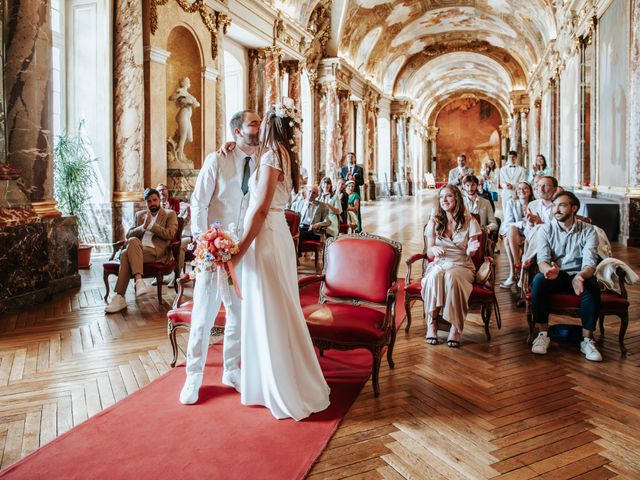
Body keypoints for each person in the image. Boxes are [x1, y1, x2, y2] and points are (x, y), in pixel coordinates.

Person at [232, 101, 330, 421]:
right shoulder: (284, 156)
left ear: (272, 126)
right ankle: (269, 382)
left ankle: (281, 387)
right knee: (275, 308)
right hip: (275, 237)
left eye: (262, 123)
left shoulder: (273, 156)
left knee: (271, 309)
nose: (257, 128)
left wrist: (239, 251)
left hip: (266, 239)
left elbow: (260, 209)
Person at [179, 109, 261, 405]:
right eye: (254, 123)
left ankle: (231, 370)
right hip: (213, 252)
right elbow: (198, 203)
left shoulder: (262, 160)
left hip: (243, 251)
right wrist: (205, 242)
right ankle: (193, 377)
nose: (260, 126)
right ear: (237, 131)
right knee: (203, 316)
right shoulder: (217, 159)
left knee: (238, 315)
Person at [530, 191, 602, 361]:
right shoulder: (545, 229)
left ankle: (587, 340)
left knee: (592, 284)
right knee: (539, 280)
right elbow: (542, 260)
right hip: (556, 274)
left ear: (573, 208)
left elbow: (590, 263)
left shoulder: (589, 230)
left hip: (579, 274)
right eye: (555, 205)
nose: (557, 209)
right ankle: (542, 335)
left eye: (562, 205)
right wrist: (548, 270)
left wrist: (581, 276)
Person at [421, 185, 481, 348]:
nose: (444, 200)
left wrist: (470, 250)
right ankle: (432, 323)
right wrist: (432, 249)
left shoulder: (470, 221)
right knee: (433, 276)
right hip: (440, 262)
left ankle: (455, 327)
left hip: (462, 264)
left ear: (457, 199)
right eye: (441, 197)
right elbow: (429, 251)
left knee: (452, 277)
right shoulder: (435, 221)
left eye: (448, 196)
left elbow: (473, 252)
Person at [105, 188, 178, 313]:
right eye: (149, 201)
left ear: (159, 200)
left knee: (124, 253)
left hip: (156, 252)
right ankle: (138, 282)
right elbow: (129, 235)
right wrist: (143, 227)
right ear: (146, 203)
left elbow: (170, 234)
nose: (152, 203)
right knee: (132, 241)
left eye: (154, 200)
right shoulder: (140, 215)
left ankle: (119, 297)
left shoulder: (169, 214)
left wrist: (151, 226)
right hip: (138, 250)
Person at [500, 181, 535, 288]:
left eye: (525, 188)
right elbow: (508, 223)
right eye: (519, 189)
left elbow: (535, 225)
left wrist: (525, 226)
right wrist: (523, 223)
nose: (522, 191)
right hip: (515, 233)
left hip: (531, 233)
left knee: (507, 241)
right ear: (516, 191)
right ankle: (517, 262)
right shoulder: (511, 203)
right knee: (511, 228)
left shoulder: (535, 204)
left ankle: (513, 273)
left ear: (530, 191)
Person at [294, 184, 331, 253]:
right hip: (300, 228)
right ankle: (295, 256)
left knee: (298, 234)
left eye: (314, 193)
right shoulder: (299, 203)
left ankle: (296, 257)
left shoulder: (321, 206)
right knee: (295, 233)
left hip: (313, 231)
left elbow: (328, 221)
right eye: (310, 191)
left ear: (317, 195)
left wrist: (317, 225)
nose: (311, 194)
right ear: (306, 192)